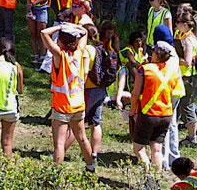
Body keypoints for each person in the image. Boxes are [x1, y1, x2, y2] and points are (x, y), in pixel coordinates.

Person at [41, 23, 95, 172]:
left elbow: (44, 33)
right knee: (82, 138)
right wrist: (73, 26)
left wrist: (60, 27)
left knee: (59, 143)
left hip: (62, 105)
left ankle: (55, 174)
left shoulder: (60, 55)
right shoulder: (79, 52)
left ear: (61, 42)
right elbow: (85, 33)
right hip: (78, 104)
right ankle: (91, 167)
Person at [130, 41, 180, 171]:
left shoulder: (145, 69)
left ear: (156, 54)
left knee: (139, 148)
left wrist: (132, 111)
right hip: (166, 114)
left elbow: (135, 94)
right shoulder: (173, 71)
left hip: (148, 114)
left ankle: (149, 177)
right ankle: (157, 178)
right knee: (157, 149)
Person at [153, 25, 185, 171]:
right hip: (178, 90)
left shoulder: (162, 51)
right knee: (172, 124)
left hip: (167, 91)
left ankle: (164, 159)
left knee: (163, 125)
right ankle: (174, 156)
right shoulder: (173, 51)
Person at [82, 24, 107, 166]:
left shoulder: (86, 50)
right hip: (101, 88)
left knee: (77, 121)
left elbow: (85, 71)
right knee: (96, 123)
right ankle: (95, 153)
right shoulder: (101, 47)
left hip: (89, 89)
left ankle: (61, 152)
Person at [175, 13, 197, 148]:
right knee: (180, 105)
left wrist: (172, 58)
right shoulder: (185, 37)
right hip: (185, 77)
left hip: (187, 78)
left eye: (178, 22)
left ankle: (192, 138)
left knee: (188, 106)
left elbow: (187, 62)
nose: (176, 25)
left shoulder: (189, 39)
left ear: (185, 24)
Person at [26, 0, 52, 67]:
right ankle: (35, 55)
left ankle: (43, 56)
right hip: (31, 9)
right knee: (33, 33)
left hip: (41, 9)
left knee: (42, 34)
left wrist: (33, 3)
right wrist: (29, 6)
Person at [112, 31, 147, 109]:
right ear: (132, 42)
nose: (139, 43)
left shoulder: (140, 50)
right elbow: (132, 61)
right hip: (122, 71)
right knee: (130, 66)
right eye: (136, 41)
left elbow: (144, 61)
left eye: (140, 41)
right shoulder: (128, 50)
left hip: (132, 73)